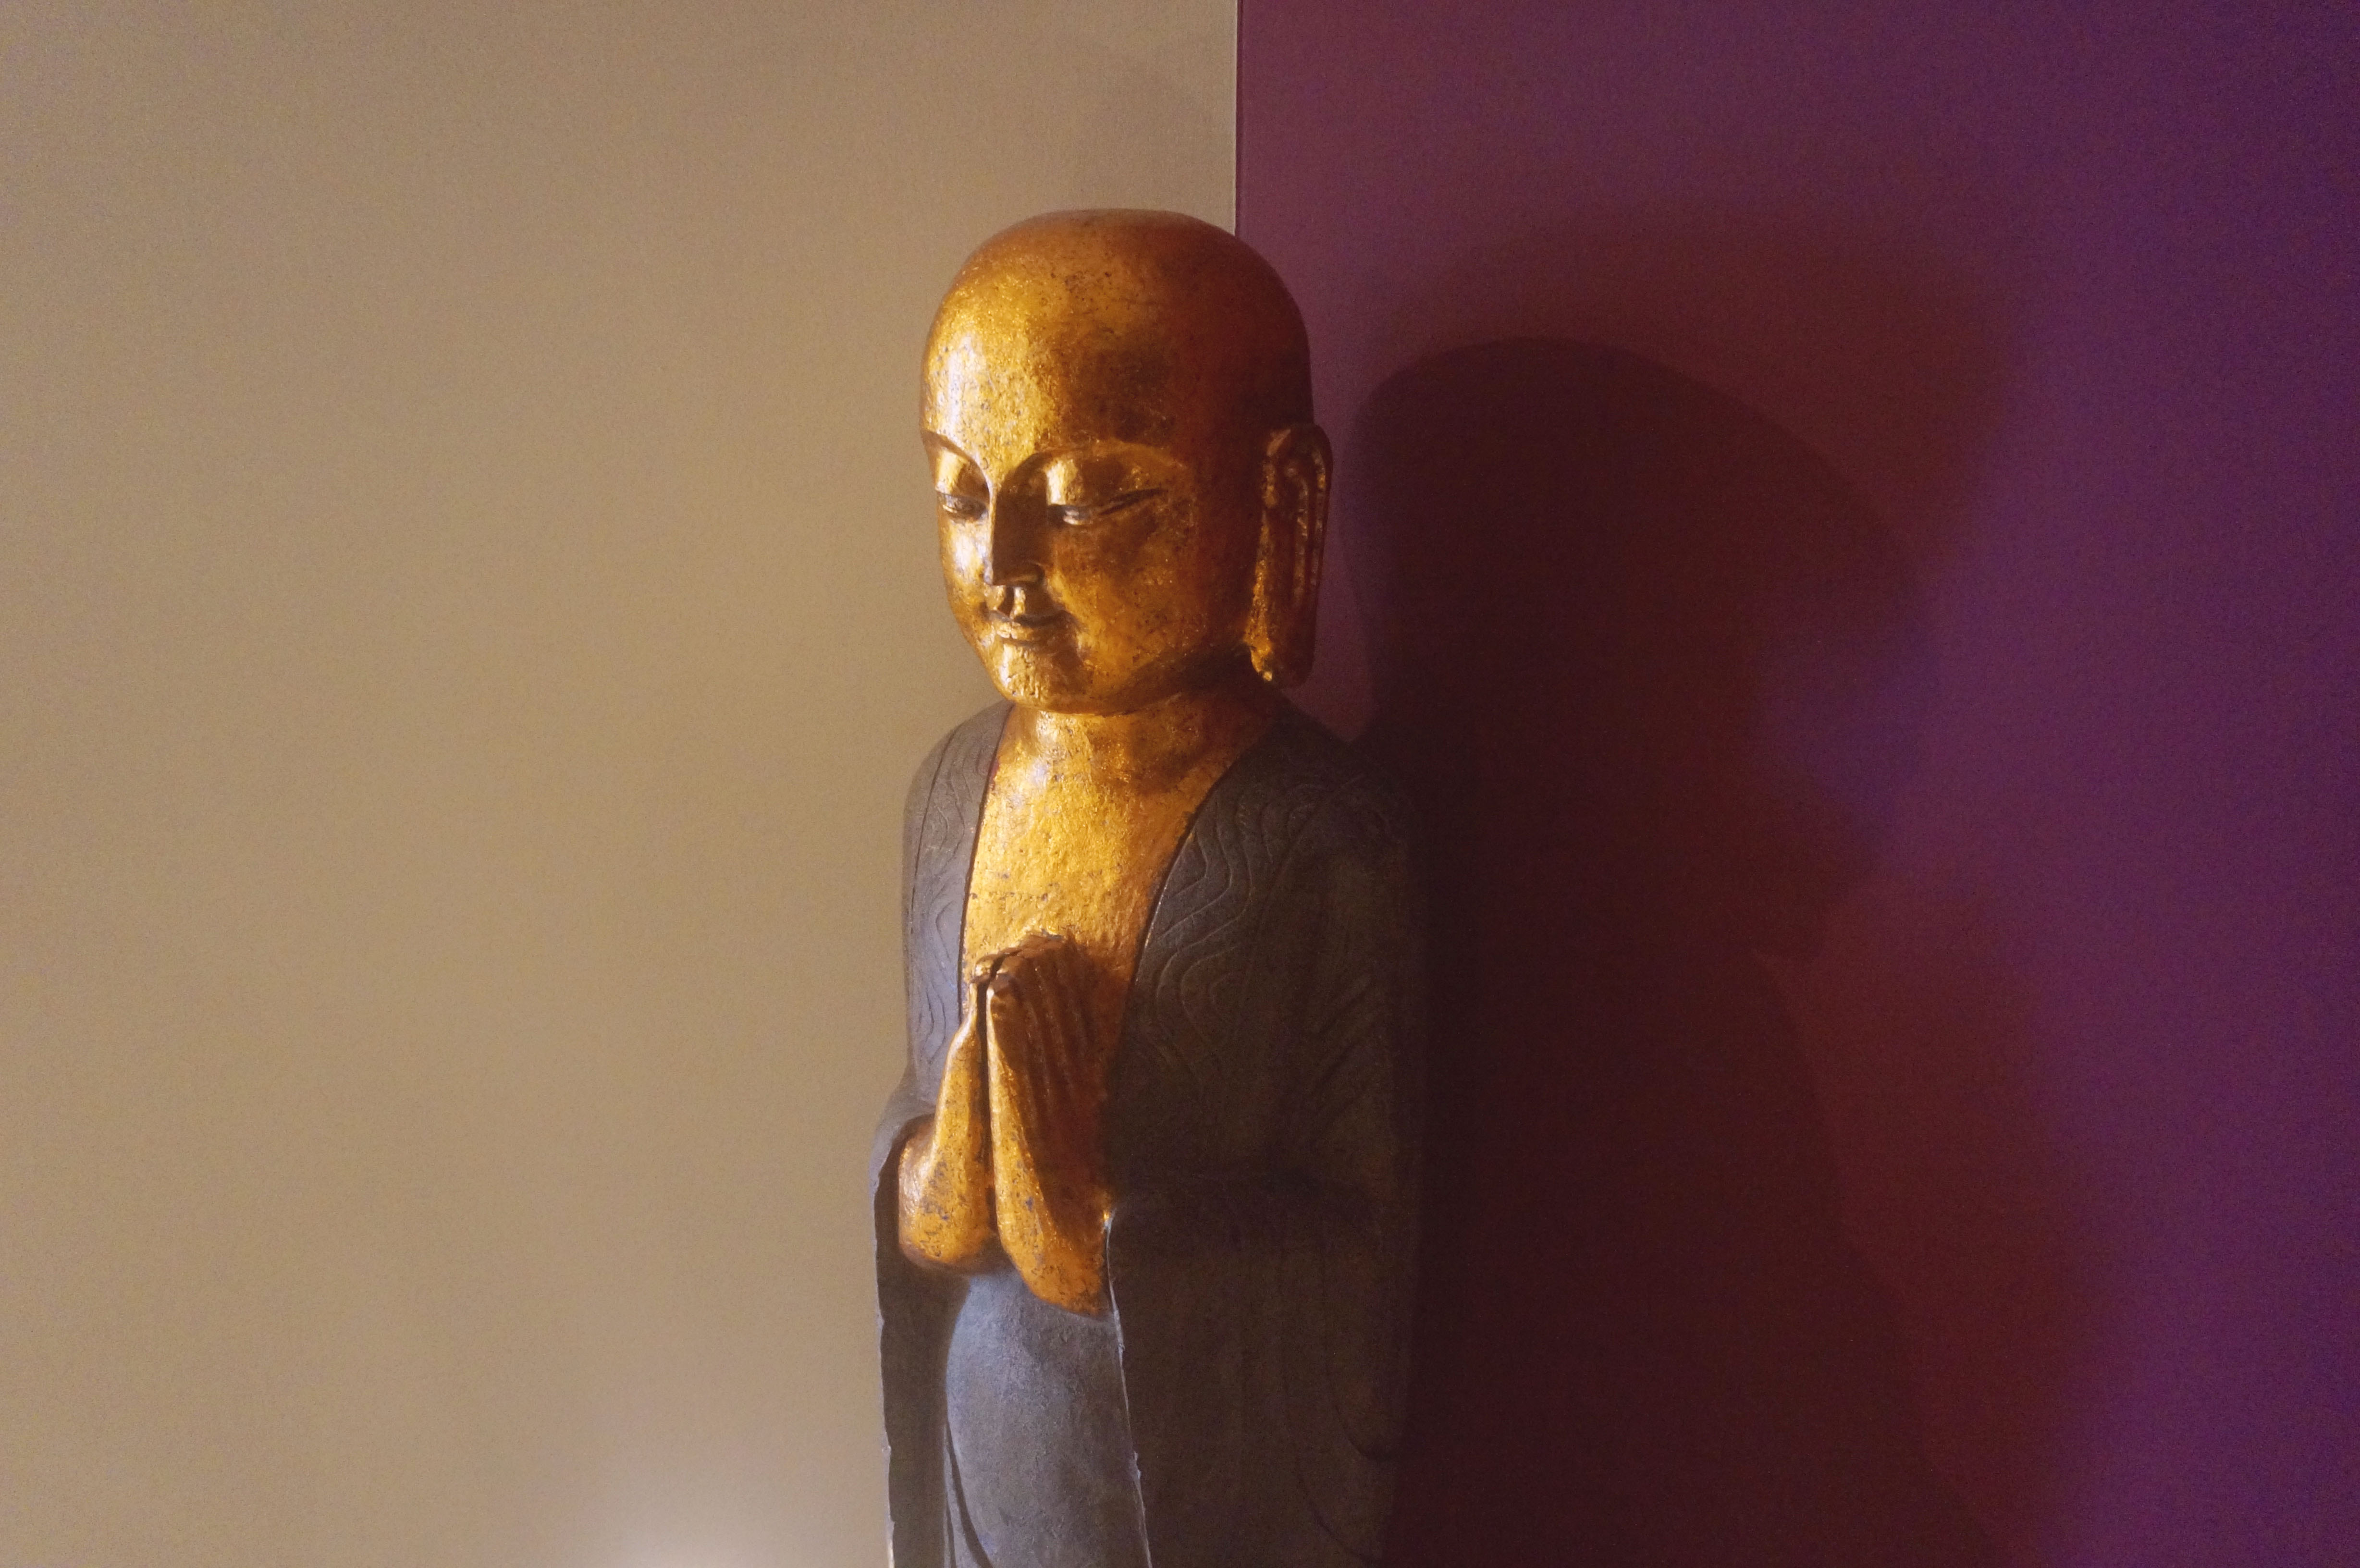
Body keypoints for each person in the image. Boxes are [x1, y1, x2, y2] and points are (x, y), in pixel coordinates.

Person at [869, 210, 1422, 1568]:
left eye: (1080, 502)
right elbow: (915, 1127)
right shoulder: (949, 791)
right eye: (960, 495)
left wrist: (1090, 1227)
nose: (1005, 568)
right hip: (979, 1453)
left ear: (1278, 501)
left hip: (1173, 1497)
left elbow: (1365, 1259)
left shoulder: (1317, 838)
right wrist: (943, 1169)